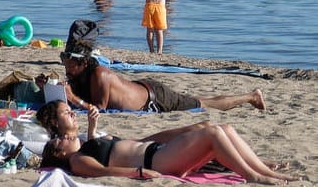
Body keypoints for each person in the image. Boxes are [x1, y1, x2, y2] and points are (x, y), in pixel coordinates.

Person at [36, 100, 292, 184]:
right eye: (61, 141)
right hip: (155, 160)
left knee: (223, 127)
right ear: (59, 154)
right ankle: (254, 175)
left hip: (157, 151)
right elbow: (104, 172)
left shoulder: (87, 144)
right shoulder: (78, 161)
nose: (66, 138)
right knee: (212, 134)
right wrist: (138, 173)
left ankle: (264, 169)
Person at [58, 46, 266, 113]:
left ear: (83, 63)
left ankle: (250, 96)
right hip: (146, 90)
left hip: (155, 98)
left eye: (70, 63)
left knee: (202, 103)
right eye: (64, 60)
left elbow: (100, 109)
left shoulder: (100, 74)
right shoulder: (83, 76)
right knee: (199, 99)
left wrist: (72, 98)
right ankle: (250, 96)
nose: (66, 67)